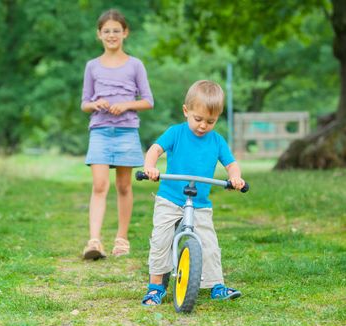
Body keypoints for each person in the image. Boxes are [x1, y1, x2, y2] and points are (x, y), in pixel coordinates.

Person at [141, 80, 245, 305]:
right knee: (161, 240)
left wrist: (235, 177)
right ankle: (156, 286)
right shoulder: (175, 133)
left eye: (211, 121)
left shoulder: (217, 140)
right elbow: (155, 150)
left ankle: (216, 285)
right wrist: (150, 166)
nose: (203, 126)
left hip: (199, 203)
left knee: (209, 243)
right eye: (198, 119)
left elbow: (231, 164)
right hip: (170, 199)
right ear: (186, 111)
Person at [81, 9, 154, 260]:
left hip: (126, 131)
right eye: (106, 31)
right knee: (99, 185)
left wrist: (125, 105)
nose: (111, 35)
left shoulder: (135, 65)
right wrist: (96, 103)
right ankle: (94, 241)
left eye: (116, 30)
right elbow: (84, 103)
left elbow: (148, 101)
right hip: (100, 131)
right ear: (99, 35)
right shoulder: (92, 66)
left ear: (125, 33)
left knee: (124, 186)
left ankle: (121, 239)